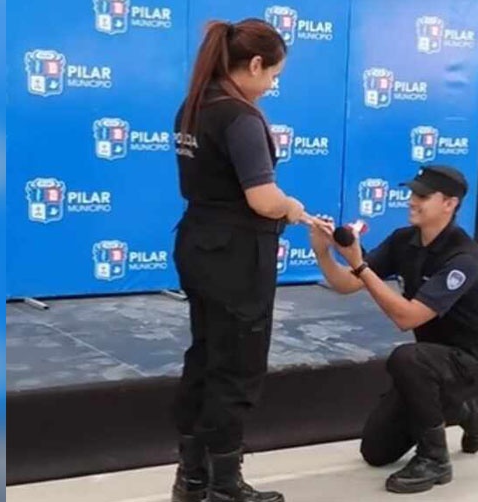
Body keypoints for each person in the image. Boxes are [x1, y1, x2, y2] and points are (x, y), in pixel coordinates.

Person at [170, 18, 311, 502]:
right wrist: (292, 208)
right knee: (237, 368)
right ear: (254, 64)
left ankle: (191, 478)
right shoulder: (241, 117)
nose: (272, 85)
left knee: (205, 357)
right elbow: (263, 199)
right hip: (236, 256)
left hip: (197, 245)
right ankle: (226, 485)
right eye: (272, 75)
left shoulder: (191, 108)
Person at [309, 165, 478, 495]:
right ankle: (464, 409)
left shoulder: (464, 256)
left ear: (449, 203)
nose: (412, 201)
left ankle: (435, 458)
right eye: (413, 193)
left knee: (407, 359)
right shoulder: (404, 240)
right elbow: (345, 284)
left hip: (475, 360)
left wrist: (359, 263)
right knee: (375, 452)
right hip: (433, 362)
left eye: (423, 196)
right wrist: (323, 251)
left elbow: (408, 318)